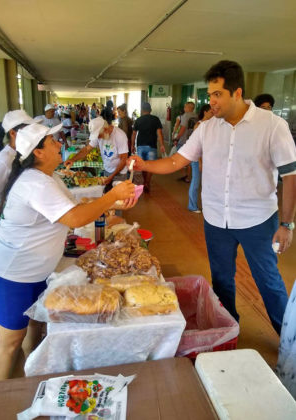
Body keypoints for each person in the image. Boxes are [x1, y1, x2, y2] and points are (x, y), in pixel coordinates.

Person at [127, 60, 296, 335]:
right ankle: (228, 329)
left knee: (269, 281)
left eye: (217, 94)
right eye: (210, 94)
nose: (211, 101)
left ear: (237, 93)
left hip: (258, 221)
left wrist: (286, 225)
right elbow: (176, 161)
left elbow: (291, 176)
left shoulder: (272, 126)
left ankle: (289, 343)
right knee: (221, 281)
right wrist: (145, 165)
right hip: (217, 219)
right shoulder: (207, 128)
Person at [0, 122, 135, 381]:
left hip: (35, 271)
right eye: (53, 142)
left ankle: (32, 373)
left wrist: (114, 202)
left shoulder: (47, 178)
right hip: (11, 274)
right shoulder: (35, 183)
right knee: (10, 342)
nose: (59, 144)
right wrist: (111, 197)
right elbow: (74, 218)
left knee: (35, 325)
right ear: (38, 152)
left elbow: (75, 205)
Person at [0, 110, 38, 217]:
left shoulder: (21, 154)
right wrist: (5, 218)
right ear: (13, 133)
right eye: (28, 130)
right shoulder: (3, 160)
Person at [65, 116, 129, 191]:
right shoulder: (100, 135)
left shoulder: (120, 136)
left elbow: (123, 159)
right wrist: (73, 159)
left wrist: (112, 176)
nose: (98, 138)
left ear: (105, 129)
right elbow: (86, 149)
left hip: (119, 173)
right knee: (107, 196)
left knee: (119, 197)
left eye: (99, 136)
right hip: (107, 170)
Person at [131, 102, 165, 193]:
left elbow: (134, 134)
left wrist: (132, 145)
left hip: (140, 146)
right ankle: (147, 182)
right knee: (151, 166)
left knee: (142, 166)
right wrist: (162, 145)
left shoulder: (138, 120)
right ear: (150, 110)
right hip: (152, 146)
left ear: (142, 110)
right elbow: (159, 133)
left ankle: (144, 182)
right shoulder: (155, 119)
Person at [188, 104, 213, 213]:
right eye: (211, 112)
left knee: (207, 184)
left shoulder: (212, 124)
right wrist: (200, 161)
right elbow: (197, 146)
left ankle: (207, 206)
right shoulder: (199, 125)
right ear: (205, 112)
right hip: (198, 158)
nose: (213, 114)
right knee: (196, 182)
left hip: (208, 159)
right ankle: (192, 205)